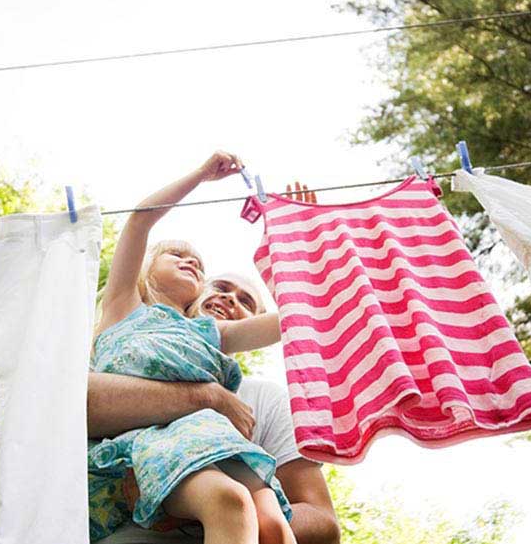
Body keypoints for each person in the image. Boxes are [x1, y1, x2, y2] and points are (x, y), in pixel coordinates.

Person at [87, 187, 341, 544]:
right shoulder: (127, 317)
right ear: (200, 296)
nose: (228, 299)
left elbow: (297, 317)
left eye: (245, 301)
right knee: (231, 501)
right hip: (153, 462)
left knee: (271, 525)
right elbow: (79, 402)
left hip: (219, 444)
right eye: (220, 287)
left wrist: (305, 240)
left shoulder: (253, 384)